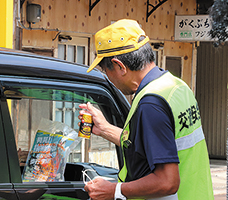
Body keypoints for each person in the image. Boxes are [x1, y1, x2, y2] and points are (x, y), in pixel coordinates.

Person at [80, 19, 214, 200]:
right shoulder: (175, 86)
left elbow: (168, 182)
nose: (109, 78)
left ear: (119, 66)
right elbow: (155, 146)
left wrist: (115, 190)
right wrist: (105, 129)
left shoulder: (150, 104)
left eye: (106, 71)